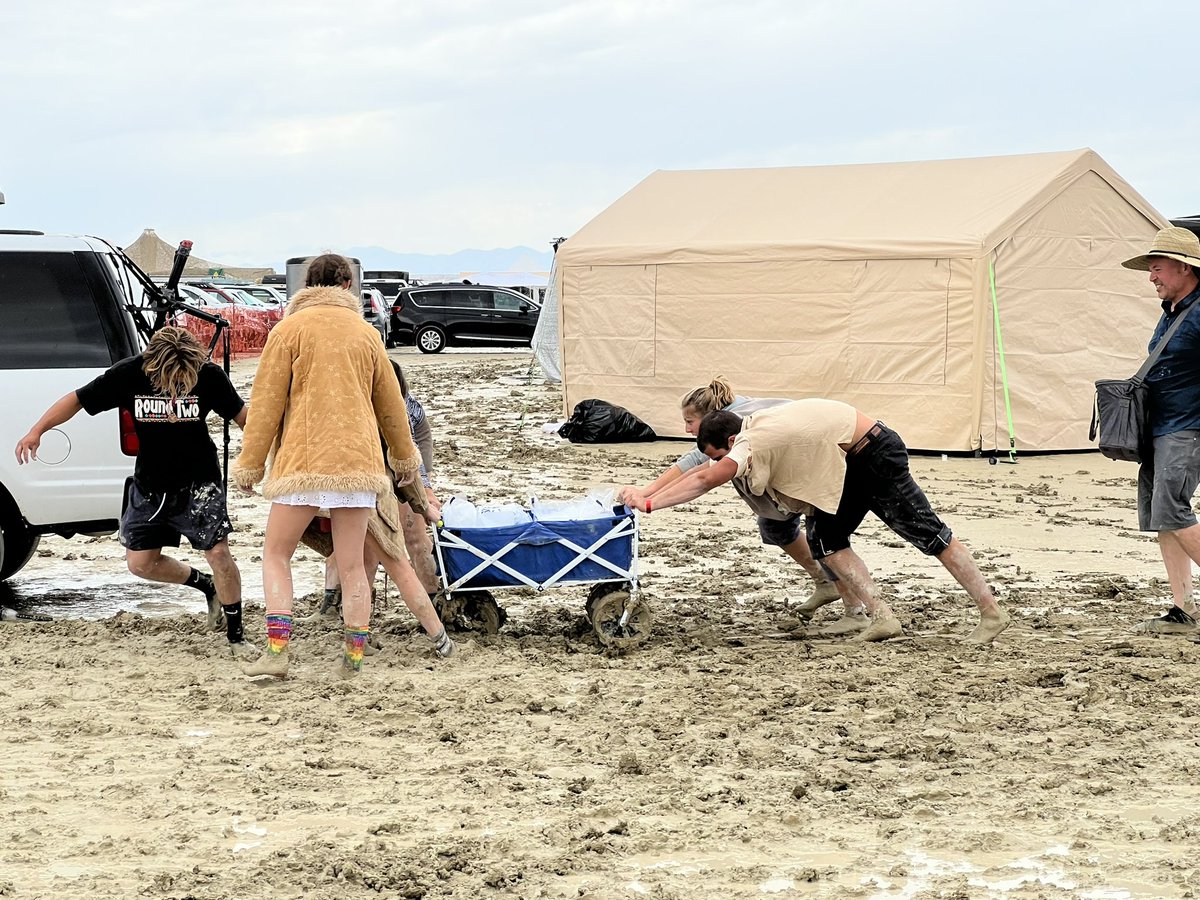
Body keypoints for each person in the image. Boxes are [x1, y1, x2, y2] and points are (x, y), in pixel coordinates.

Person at [625, 399, 1011, 645]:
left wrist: (649, 504)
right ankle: (881, 617)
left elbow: (707, 479)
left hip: (874, 452)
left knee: (928, 534)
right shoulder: (750, 424)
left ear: (730, 438)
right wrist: (650, 494)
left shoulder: (750, 441)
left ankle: (991, 613)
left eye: (718, 452)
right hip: (849, 461)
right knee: (827, 539)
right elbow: (701, 470)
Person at [233, 253, 421, 679]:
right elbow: (392, 406)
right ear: (347, 286)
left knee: (276, 553)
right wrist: (404, 458)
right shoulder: (366, 334)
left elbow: (265, 405)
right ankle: (352, 659)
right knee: (353, 564)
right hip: (357, 464)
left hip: (303, 461)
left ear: (305, 286)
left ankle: (278, 653)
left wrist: (250, 465)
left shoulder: (287, 330)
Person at [14, 326, 252, 655]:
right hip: (150, 485)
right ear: (152, 365)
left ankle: (237, 635)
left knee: (219, 555)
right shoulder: (130, 372)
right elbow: (77, 400)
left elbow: (245, 419)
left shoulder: (208, 376)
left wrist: (256, 461)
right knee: (140, 563)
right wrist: (37, 430)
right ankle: (206, 586)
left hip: (200, 483)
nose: (175, 390)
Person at [617, 378, 846, 627]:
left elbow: (699, 470)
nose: (686, 429)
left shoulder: (733, 421)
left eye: (689, 422)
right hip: (794, 463)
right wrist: (648, 495)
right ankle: (825, 582)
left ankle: (855, 607)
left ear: (709, 417)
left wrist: (648, 496)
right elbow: (699, 466)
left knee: (824, 536)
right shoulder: (727, 415)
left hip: (822, 461)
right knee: (774, 525)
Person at [302, 362, 455, 658]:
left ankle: (427, 622)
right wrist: (423, 503)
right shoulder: (364, 409)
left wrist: (424, 497)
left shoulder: (396, 410)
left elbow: (410, 458)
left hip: (372, 487)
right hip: (370, 489)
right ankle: (435, 638)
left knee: (386, 556)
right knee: (374, 562)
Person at [1119, 227, 1200, 635]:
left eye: (1157, 269)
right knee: (1161, 517)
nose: (1151, 277)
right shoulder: (1173, 311)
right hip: (1162, 428)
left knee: (1173, 511)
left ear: (1185, 267)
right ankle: (1182, 611)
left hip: (1188, 428)